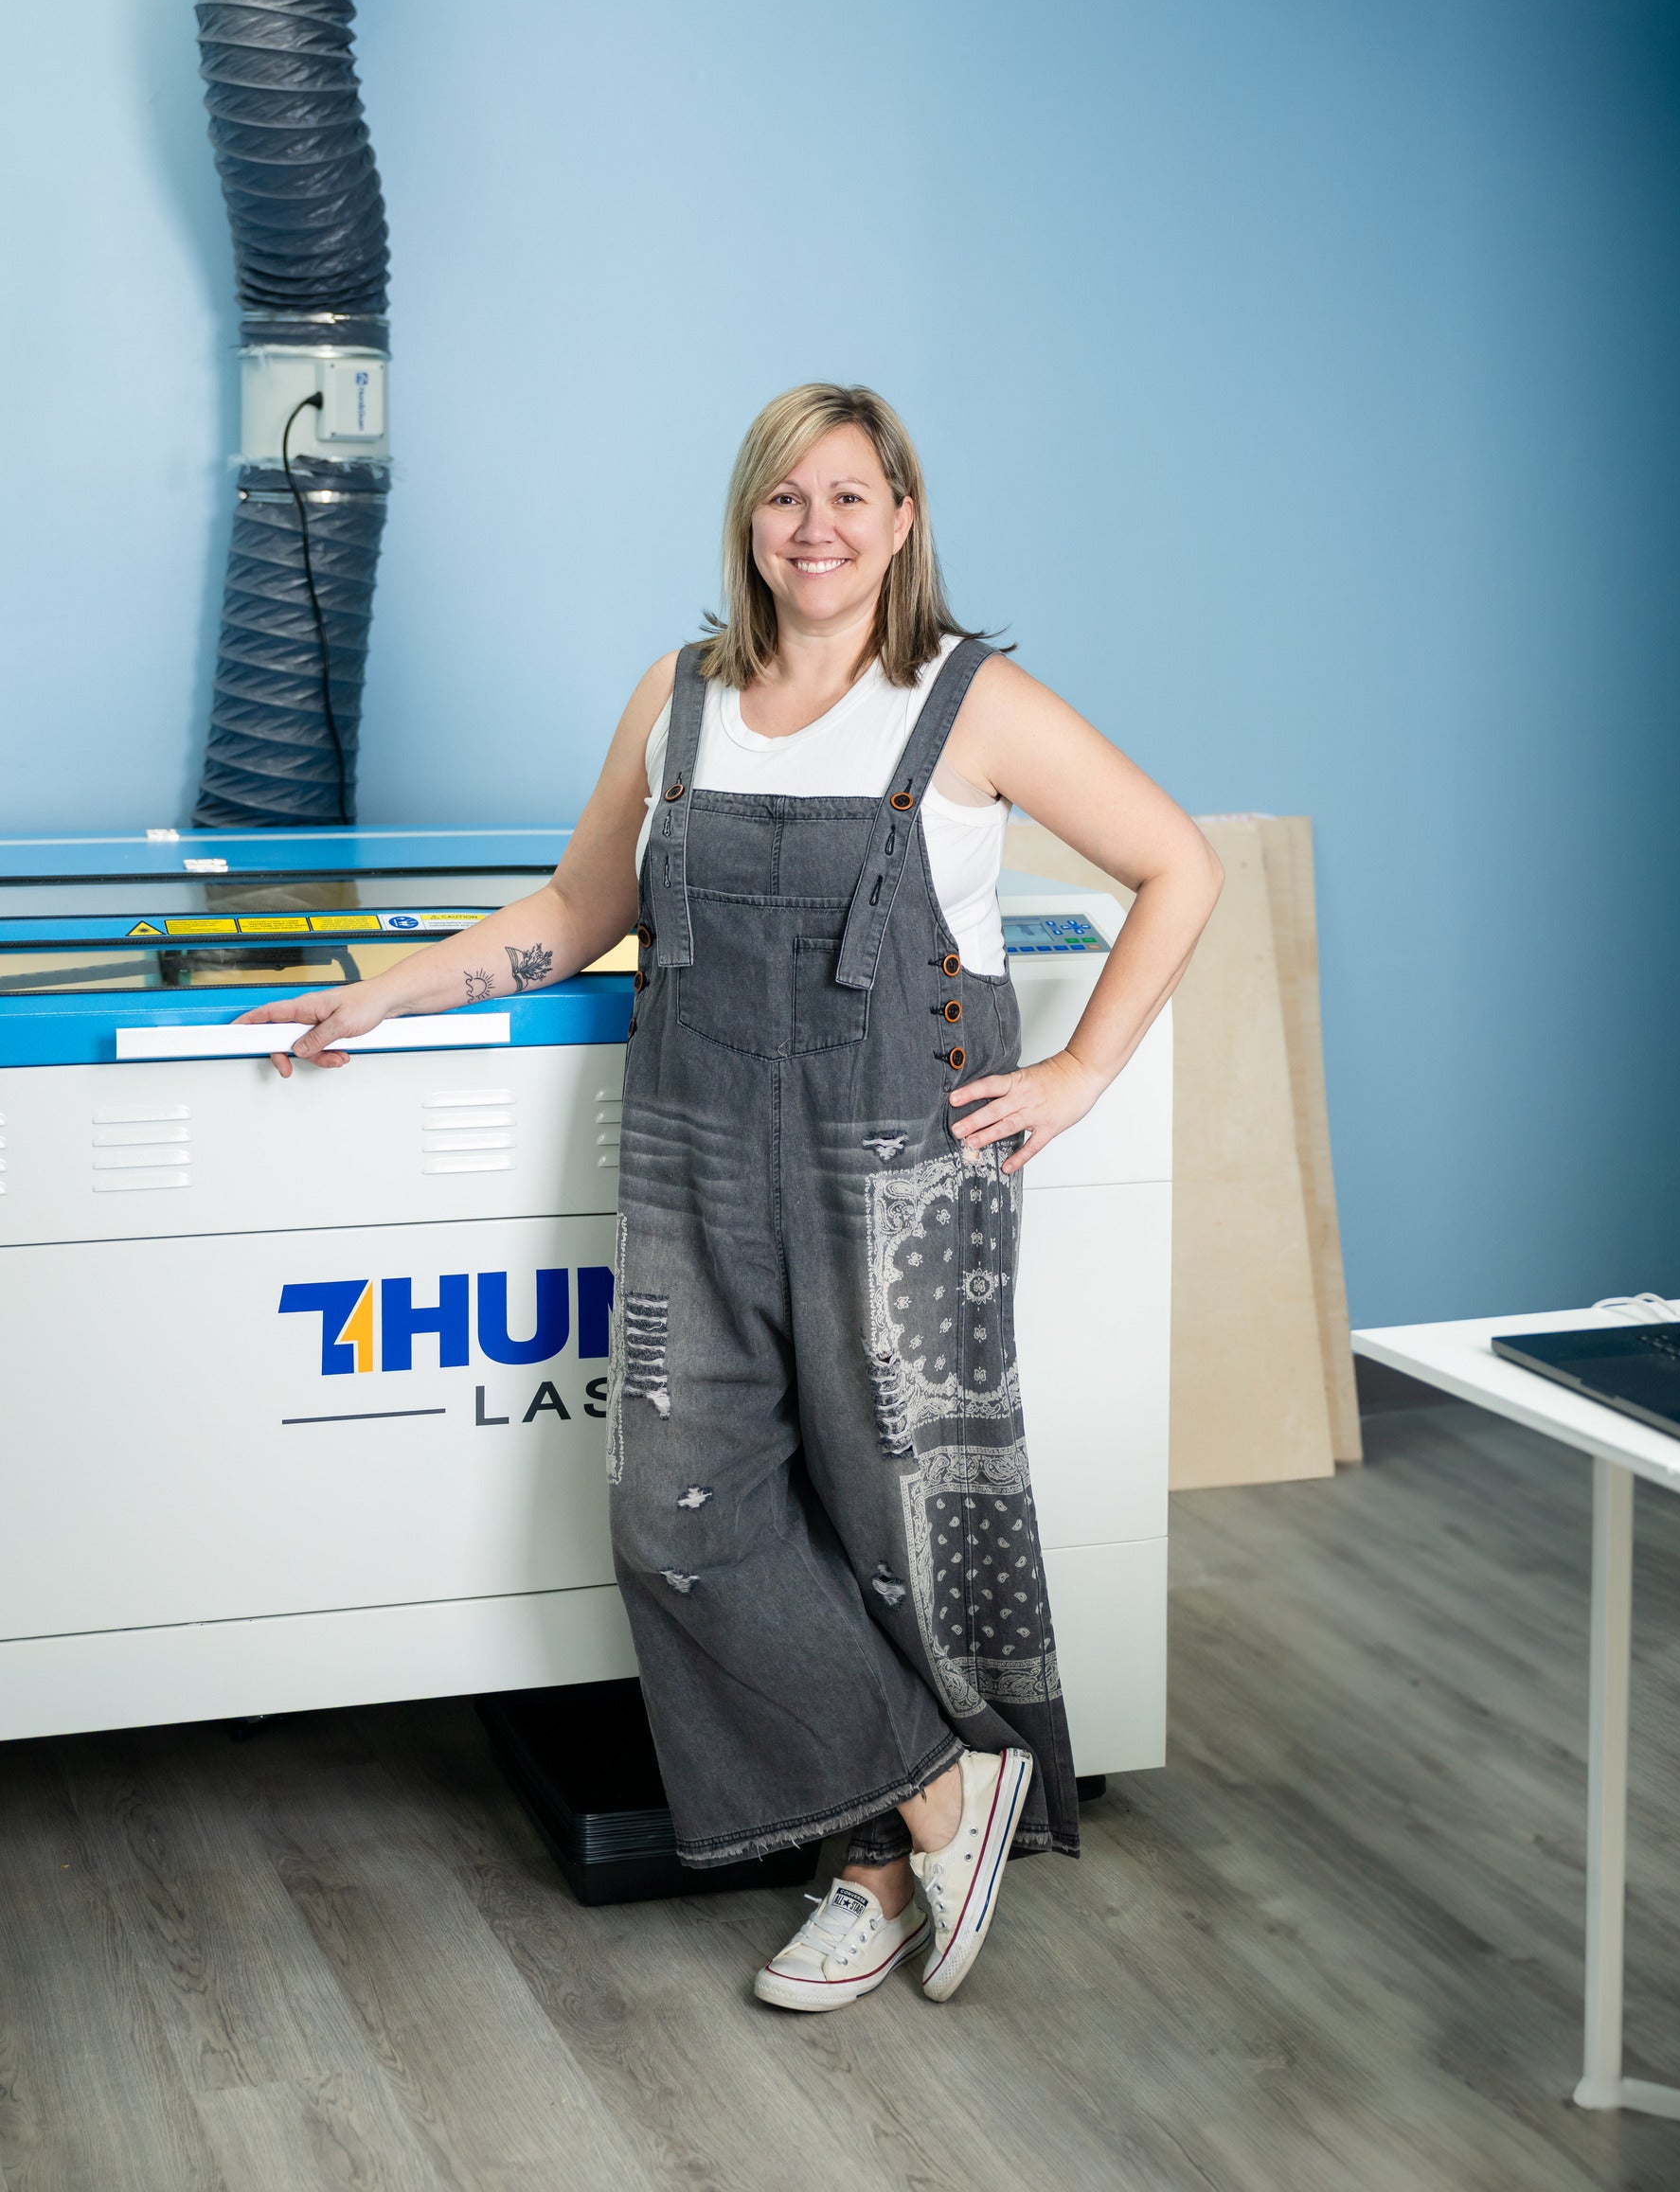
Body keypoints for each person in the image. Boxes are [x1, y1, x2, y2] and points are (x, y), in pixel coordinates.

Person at [241, 383, 1222, 2011]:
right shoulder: (677, 696)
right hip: (693, 1143)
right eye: (786, 499)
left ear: (903, 520)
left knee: (882, 1505)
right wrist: (393, 995)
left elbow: (1176, 863)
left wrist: (1077, 1075)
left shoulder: (973, 702)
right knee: (678, 1518)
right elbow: (581, 902)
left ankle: (867, 1871)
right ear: (747, 521)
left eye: (851, 497)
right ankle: (933, 1789)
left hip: (903, 1161)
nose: (816, 527)